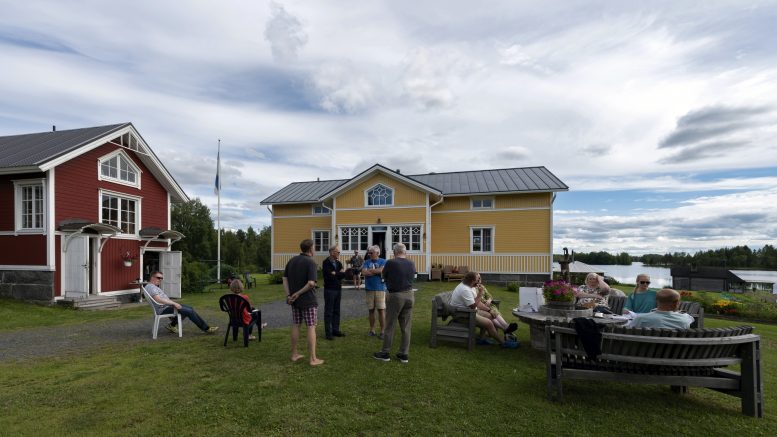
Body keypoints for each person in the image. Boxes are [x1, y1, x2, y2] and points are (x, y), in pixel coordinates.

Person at [373, 243, 416, 363]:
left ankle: (385, 353)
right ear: (405, 252)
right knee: (406, 326)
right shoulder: (411, 263)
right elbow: (413, 276)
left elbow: (383, 275)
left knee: (390, 325)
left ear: (395, 251)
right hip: (410, 294)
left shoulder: (391, 263)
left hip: (396, 295)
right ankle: (404, 354)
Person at [283, 239, 324, 366]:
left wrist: (289, 295)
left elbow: (284, 278)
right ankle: (313, 359)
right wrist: (298, 293)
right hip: (308, 301)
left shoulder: (291, 261)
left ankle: (294, 354)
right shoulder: (311, 262)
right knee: (311, 327)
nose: (315, 249)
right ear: (311, 249)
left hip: (294, 301)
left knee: (296, 325)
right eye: (315, 247)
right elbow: (311, 283)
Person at [449, 271, 517, 348]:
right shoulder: (465, 289)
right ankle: (503, 343)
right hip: (462, 314)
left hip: (470, 311)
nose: (479, 282)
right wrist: (480, 293)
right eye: (477, 280)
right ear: (472, 281)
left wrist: (489, 310)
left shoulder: (470, 286)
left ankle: (481, 339)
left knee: (490, 315)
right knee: (489, 323)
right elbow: (473, 305)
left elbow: (477, 303)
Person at [144, 271, 218, 334]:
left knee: (189, 308)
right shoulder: (151, 287)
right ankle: (206, 328)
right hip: (163, 309)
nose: (160, 280)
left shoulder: (152, 286)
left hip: (165, 307)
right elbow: (158, 299)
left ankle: (172, 325)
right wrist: (174, 303)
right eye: (158, 278)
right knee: (189, 311)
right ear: (152, 277)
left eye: (161, 278)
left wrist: (173, 303)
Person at [628, 288, 695, 329]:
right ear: (677, 302)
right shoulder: (685, 318)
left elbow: (629, 331)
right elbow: (691, 318)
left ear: (656, 300)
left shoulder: (641, 319)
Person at [322, 245, 347, 340]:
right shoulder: (326, 262)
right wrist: (338, 273)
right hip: (329, 290)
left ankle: (335, 330)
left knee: (337, 310)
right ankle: (328, 333)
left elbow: (343, 275)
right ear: (332, 252)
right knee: (329, 311)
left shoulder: (339, 263)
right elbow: (329, 276)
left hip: (338, 289)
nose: (339, 253)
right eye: (338, 252)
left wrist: (335, 273)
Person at [361, 245, 386, 339]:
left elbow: (381, 270)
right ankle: (372, 330)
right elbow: (363, 272)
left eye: (371, 253)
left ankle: (383, 331)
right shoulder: (366, 261)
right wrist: (376, 271)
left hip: (380, 288)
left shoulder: (383, 261)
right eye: (369, 252)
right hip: (369, 289)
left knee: (381, 310)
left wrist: (370, 271)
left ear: (377, 253)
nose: (369, 254)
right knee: (371, 310)